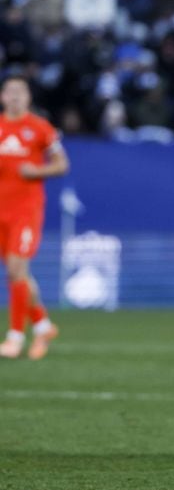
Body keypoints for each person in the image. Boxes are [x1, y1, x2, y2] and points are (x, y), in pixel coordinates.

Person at [0, 76, 69, 360]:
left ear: (28, 98)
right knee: (19, 275)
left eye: (21, 92)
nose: (15, 96)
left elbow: (62, 164)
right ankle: (42, 324)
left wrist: (37, 171)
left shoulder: (39, 128)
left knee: (16, 269)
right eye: (10, 91)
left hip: (26, 210)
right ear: (3, 96)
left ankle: (15, 338)